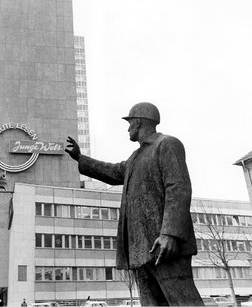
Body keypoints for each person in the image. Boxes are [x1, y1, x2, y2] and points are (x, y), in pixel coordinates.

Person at [65, 102, 204, 306]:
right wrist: (80, 158)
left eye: (129, 123)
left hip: (164, 246)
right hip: (141, 250)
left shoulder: (167, 144)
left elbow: (179, 188)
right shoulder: (135, 158)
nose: (128, 128)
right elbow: (112, 172)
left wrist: (169, 234)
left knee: (183, 301)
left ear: (138, 122)